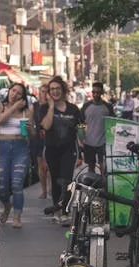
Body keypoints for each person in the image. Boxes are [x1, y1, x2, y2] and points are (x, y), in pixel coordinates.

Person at [39, 75, 83, 225]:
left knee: (66, 180)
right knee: (56, 180)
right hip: (52, 149)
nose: (55, 92)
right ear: (48, 92)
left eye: (58, 89)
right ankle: (57, 209)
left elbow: (82, 124)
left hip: (69, 150)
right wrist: (51, 107)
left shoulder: (73, 109)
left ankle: (65, 210)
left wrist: (84, 131)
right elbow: (46, 126)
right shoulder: (44, 108)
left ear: (63, 90)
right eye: (52, 89)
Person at [0, 82, 33, 229]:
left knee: (17, 184)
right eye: (13, 91)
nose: (15, 94)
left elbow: (33, 133)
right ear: (8, 91)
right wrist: (13, 108)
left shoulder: (26, 111)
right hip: (3, 148)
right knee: (1, 186)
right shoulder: (0, 105)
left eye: (19, 93)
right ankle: (7, 205)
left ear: (22, 97)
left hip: (20, 148)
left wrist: (31, 129)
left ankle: (17, 216)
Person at [80, 82, 115, 174]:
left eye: (98, 92)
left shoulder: (108, 107)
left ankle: (104, 185)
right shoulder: (86, 106)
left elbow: (112, 124)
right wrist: (81, 138)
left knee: (103, 166)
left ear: (102, 92)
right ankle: (92, 185)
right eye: (94, 92)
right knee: (91, 167)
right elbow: (80, 123)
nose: (95, 94)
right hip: (88, 142)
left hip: (103, 142)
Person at [30, 84, 51, 199]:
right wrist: (31, 132)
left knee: (49, 165)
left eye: (46, 92)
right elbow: (30, 120)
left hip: (49, 137)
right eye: (42, 91)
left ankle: (50, 188)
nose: (43, 94)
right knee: (41, 165)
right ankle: (44, 191)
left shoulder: (51, 106)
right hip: (38, 137)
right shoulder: (35, 106)